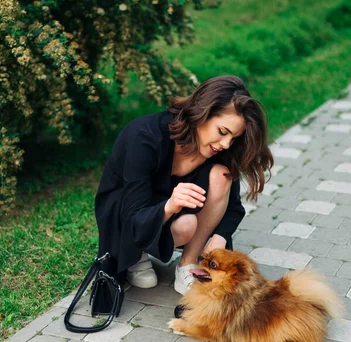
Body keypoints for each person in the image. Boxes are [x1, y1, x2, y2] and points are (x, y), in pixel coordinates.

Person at [94, 75, 274, 295]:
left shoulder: (219, 151)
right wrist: (170, 205)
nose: (226, 144)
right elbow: (133, 215)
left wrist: (219, 238)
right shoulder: (144, 137)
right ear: (202, 114)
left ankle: (186, 265)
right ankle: (135, 254)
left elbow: (234, 208)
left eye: (234, 138)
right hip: (127, 215)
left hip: (170, 218)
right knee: (172, 228)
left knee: (220, 177)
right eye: (222, 132)